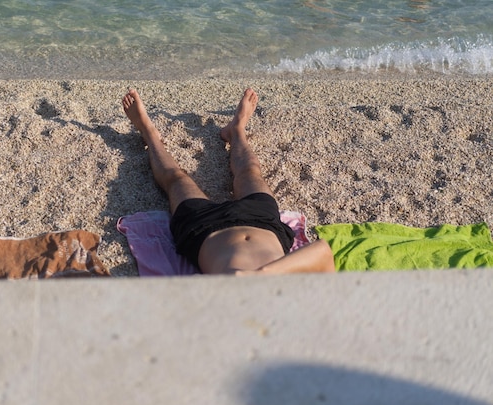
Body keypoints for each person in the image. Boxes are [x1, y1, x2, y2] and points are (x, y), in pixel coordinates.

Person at [122, 87, 335, 275]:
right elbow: (323, 251)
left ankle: (149, 133)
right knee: (250, 172)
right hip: (264, 223)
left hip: (203, 230)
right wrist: (264, 273)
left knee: (176, 180)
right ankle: (237, 131)